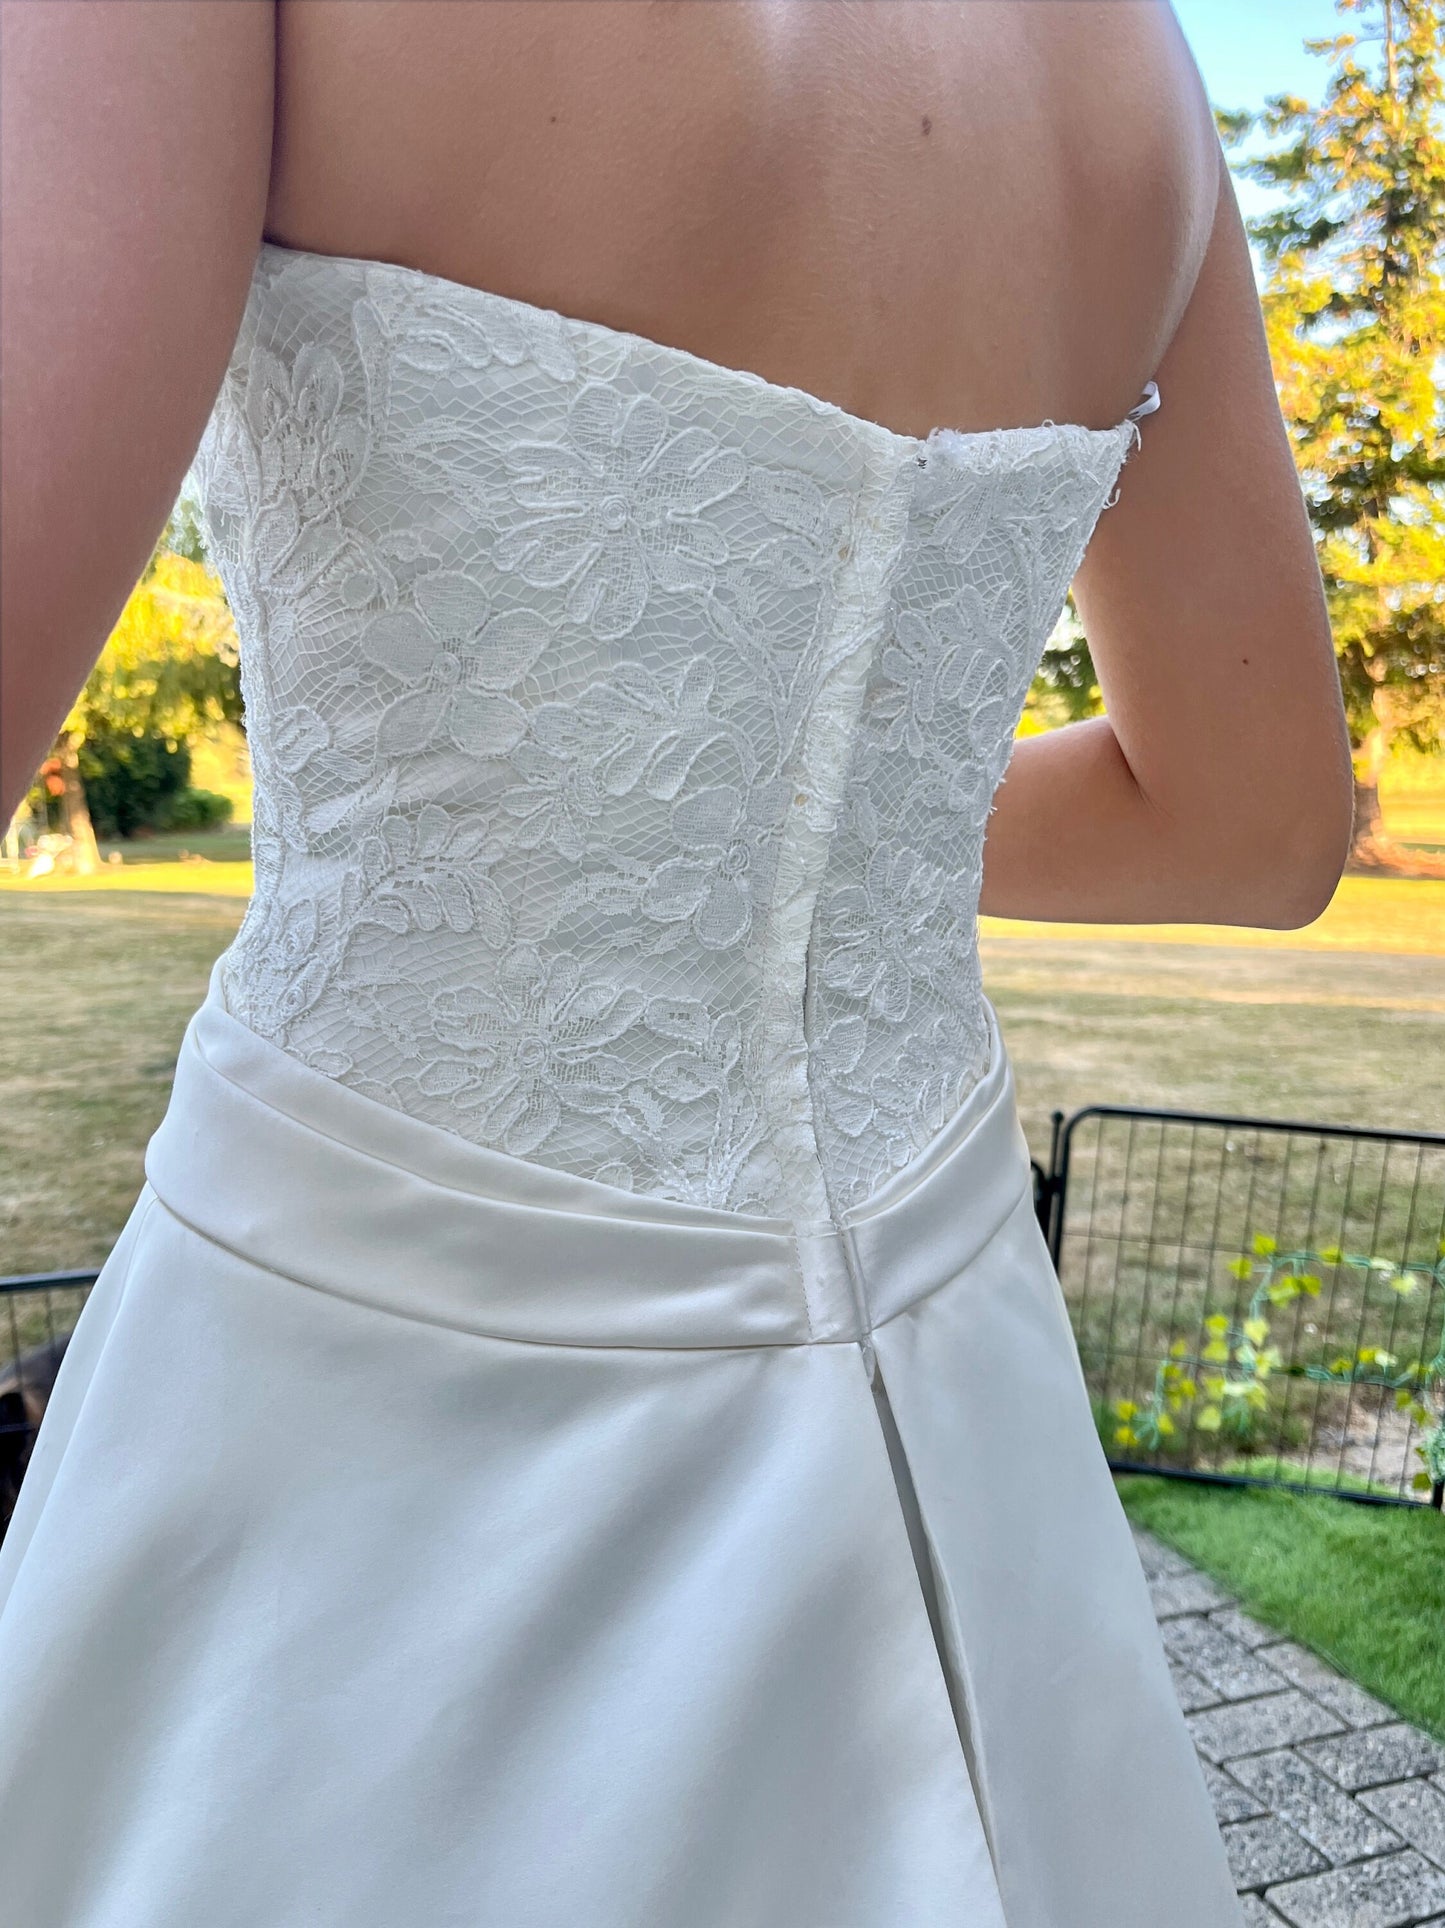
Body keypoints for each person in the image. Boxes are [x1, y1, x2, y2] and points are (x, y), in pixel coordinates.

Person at [0, 4, 1352, 1924]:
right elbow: (1257, 826)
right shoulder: (1127, 61)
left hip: (364, 1401)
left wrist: (641, 807)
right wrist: (793, 835)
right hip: (951, 1395)